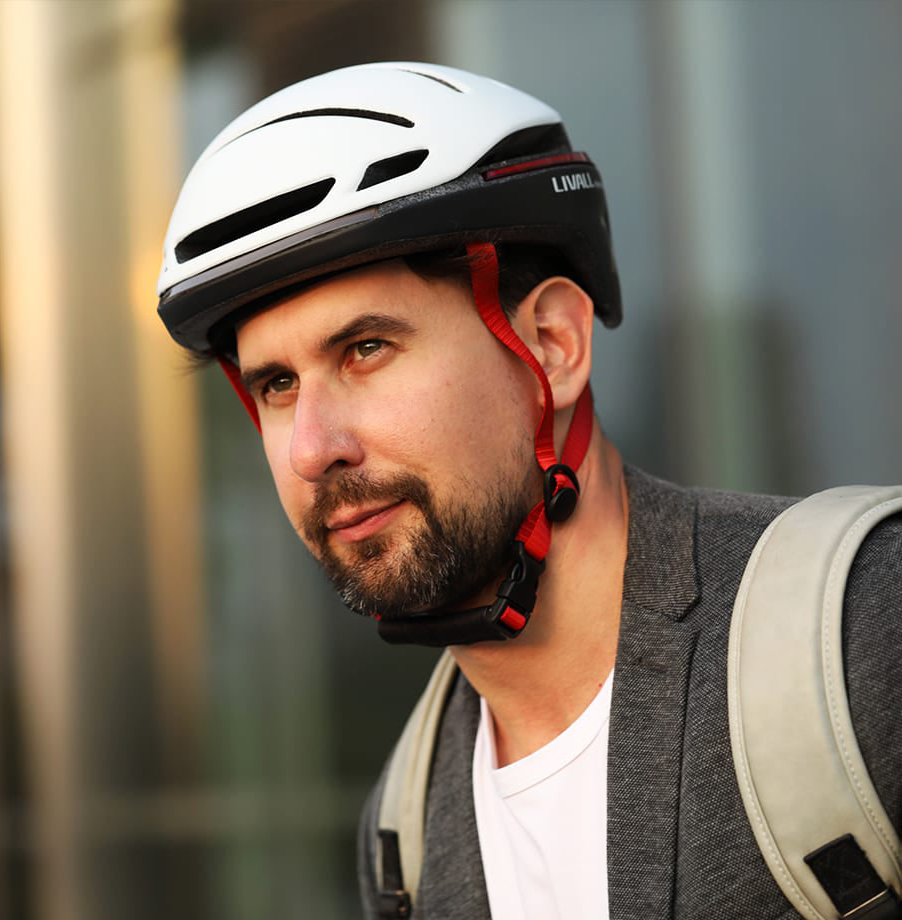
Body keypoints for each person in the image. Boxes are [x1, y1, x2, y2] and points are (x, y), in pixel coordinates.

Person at [156, 62, 902, 919]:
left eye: (365, 349)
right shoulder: (404, 836)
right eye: (278, 384)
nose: (313, 450)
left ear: (551, 344)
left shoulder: (867, 633)